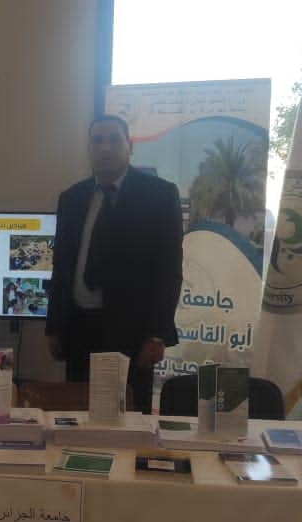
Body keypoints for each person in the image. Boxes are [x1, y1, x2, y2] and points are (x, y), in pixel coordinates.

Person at [45, 114, 182, 414]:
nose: (105, 148)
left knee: (130, 420)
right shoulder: (71, 199)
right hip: (78, 331)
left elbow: (169, 271)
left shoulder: (160, 196)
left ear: (130, 146)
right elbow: (62, 266)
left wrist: (157, 334)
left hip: (132, 335)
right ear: (89, 149)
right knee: (78, 416)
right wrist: (54, 327)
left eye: (114, 140)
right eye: (97, 141)